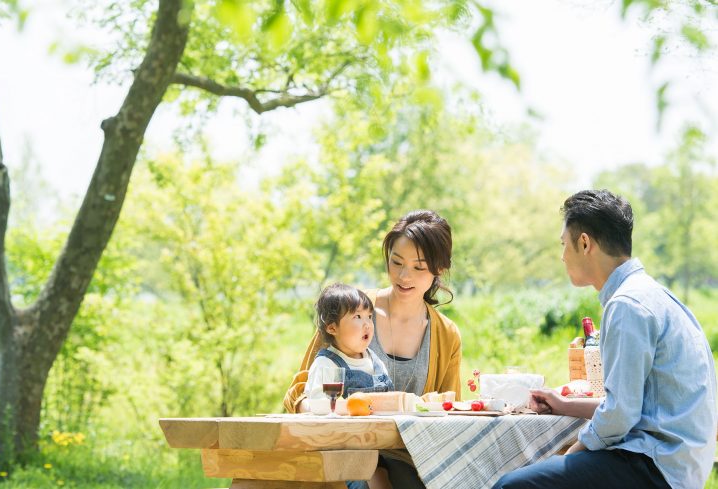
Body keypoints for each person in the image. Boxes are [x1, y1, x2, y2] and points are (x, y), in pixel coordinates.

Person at [493, 190, 717, 489]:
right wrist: (564, 404)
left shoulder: (627, 305)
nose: (562, 256)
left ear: (584, 243)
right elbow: (630, 403)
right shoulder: (652, 294)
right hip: (679, 463)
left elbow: (620, 417)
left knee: (512, 486)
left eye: (564, 244)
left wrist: (573, 452)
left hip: (655, 467)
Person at [284, 209, 462, 489]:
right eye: (396, 262)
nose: (404, 276)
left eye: (419, 267)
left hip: (408, 457)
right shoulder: (351, 311)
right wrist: (330, 408)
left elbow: (447, 412)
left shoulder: (446, 334)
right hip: (342, 450)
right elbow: (300, 392)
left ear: (439, 268)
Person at [303, 283, 393, 489]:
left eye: (369, 316)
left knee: (384, 478)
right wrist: (347, 407)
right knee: (370, 479)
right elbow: (317, 405)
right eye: (357, 317)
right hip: (338, 452)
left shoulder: (374, 360)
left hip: (375, 449)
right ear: (332, 327)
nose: (367, 324)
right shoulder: (327, 363)